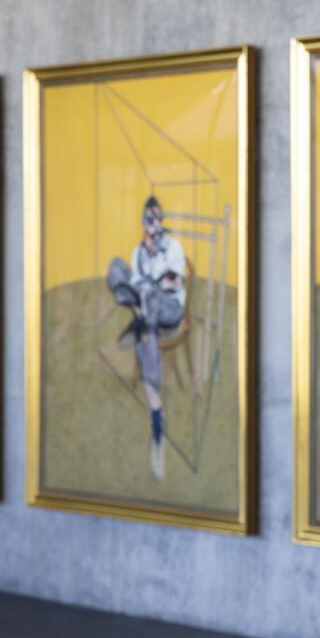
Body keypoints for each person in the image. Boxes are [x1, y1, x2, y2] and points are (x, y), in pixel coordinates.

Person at [106, 195, 186, 484]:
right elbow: (137, 278)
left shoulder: (173, 248)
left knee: (149, 295)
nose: (153, 224)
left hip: (169, 308)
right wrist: (143, 286)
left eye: (157, 218)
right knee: (117, 267)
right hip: (147, 307)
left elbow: (174, 282)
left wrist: (150, 285)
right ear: (142, 222)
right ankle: (156, 416)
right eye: (148, 219)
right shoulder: (137, 252)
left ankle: (139, 319)